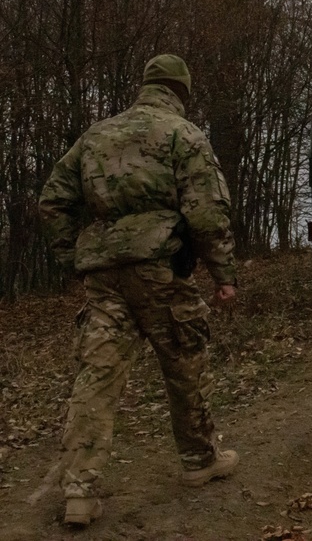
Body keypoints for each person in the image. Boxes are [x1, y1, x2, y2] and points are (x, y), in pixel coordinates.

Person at [38, 54, 239, 527]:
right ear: (182, 92)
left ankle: (79, 491)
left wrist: (73, 257)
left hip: (104, 276)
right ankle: (199, 460)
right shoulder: (182, 134)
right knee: (185, 362)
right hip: (160, 272)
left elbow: (53, 200)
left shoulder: (97, 135)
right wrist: (223, 275)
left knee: (97, 375)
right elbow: (207, 210)